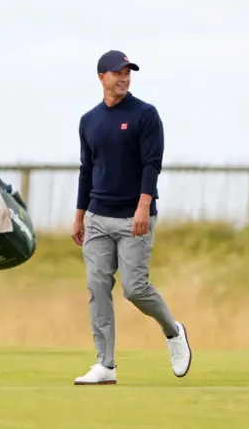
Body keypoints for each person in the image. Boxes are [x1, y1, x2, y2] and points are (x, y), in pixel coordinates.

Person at [71, 50, 192, 385]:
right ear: (101, 78)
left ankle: (173, 331)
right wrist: (79, 216)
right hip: (97, 216)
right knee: (97, 287)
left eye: (127, 72)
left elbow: (152, 163)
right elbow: (86, 170)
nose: (123, 78)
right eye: (117, 72)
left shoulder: (145, 115)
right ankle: (105, 365)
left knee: (134, 288)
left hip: (133, 218)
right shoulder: (89, 120)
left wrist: (144, 205)